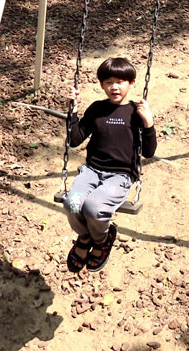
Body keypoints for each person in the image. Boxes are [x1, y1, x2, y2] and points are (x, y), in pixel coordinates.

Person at [63, 57, 157, 273]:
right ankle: (86, 237)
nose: (114, 87)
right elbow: (75, 139)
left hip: (120, 176)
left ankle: (103, 239)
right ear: (102, 85)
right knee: (72, 203)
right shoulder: (97, 109)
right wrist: (73, 110)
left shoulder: (136, 112)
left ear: (131, 83)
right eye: (108, 82)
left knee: (94, 208)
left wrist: (148, 122)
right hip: (92, 171)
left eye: (120, 82)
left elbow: (148, 152)